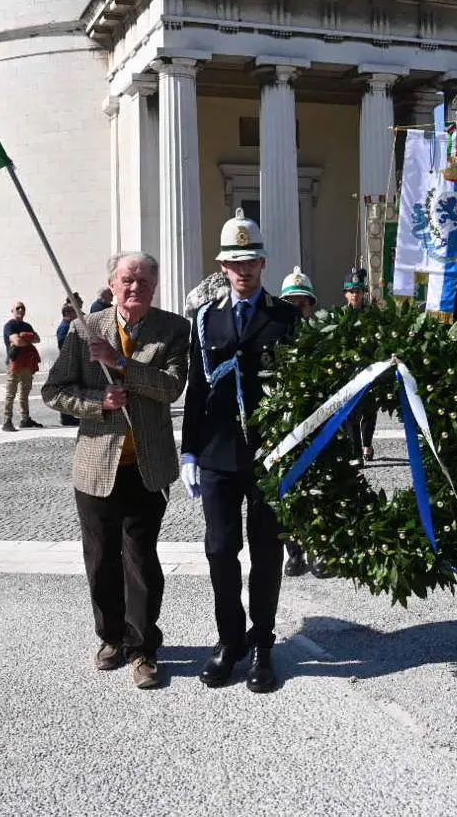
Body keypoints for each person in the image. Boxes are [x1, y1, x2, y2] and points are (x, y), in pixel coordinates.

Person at [42, 252, 189, 690]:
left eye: (144, 281)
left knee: (142, 560)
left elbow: (171, 387)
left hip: (147, 466)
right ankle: (110, 638)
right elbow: (54, 390)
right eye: (127, 280)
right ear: (112, 283)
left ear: (155, 285)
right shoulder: (84, 330)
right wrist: (97, 402)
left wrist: (122, 364)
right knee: (101, 558)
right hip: (95, 468)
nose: (135, 288)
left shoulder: (173, 329)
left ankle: (143, 648)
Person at [180, 210, 300, 693]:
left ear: (263, 263)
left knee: (267, 553)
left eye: (251, 260)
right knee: (219, 551)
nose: (243, 269)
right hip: (217, 454)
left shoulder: (286, 317)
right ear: (222, 267)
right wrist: (189, 451)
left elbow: (303, 392)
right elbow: (196, 388)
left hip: (269, 455)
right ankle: (230, 640)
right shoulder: (206, 318)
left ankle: (263, 643)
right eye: (235, 261)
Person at [278, 265, 319, 579]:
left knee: (321, 490)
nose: (296, 308)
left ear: (310, 305)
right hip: (284, 427)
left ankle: (320, 550)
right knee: (287, 493)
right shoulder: (274, 339)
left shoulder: (323, 336)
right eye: (290, 303)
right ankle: (295, 552)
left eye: (301, 303)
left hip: (320, 425)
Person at [342, 267, 378, 463]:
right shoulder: (340, 316)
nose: (355, 295)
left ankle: (367, 445)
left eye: (358, 291)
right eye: (351, 291)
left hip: (370, 368)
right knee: (350, 413)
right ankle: (356, 452)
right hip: (349, 372)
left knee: (369, 411)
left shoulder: (371, 315)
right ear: (346, 294)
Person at [0, 301, 43, 431]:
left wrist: (24, 338)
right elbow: (17, 341)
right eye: (17, 308)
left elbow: (37, 339)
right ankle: (7, 421)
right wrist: (26, 339)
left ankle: (25, 419)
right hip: (15, 362)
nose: (20, 310)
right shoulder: (9, 325)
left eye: (23, 308)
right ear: (12, 310)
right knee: (11, 393)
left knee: (25, 392)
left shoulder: (27, 325)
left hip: (27, 363)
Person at [55, 303, 81, 426]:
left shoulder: (68, 326)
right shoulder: (64, 327)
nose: (78, 314)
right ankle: (66, 418)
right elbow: (63, 345)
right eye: (76, 312)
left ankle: (69, 417)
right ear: (69, 313)